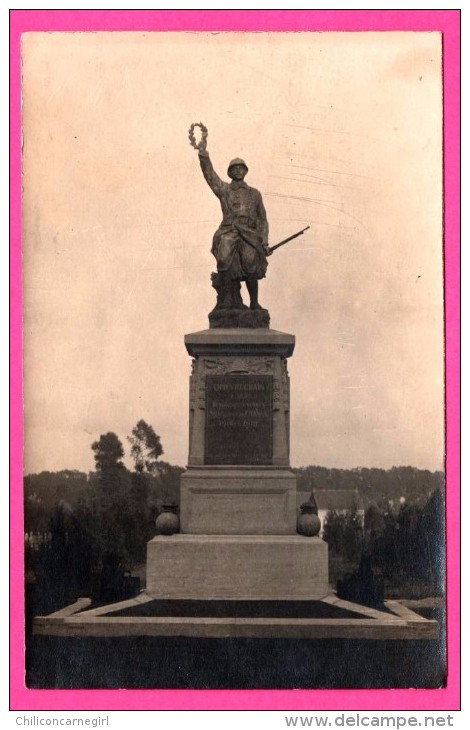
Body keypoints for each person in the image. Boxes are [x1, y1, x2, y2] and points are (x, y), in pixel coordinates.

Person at [197, 146, 269, 310]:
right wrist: (203, 155)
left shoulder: (255, 193)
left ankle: (254, 303)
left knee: (251, 263)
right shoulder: (224, 190)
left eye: (241, 168)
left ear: (245, 171)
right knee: (223, 259)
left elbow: (262, 219)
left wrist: (264, 242)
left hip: (249, 234)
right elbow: (211, 177)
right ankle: (228, 301)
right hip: (229, 231)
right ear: (230, 172)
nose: (238, 171)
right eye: (234, 169)